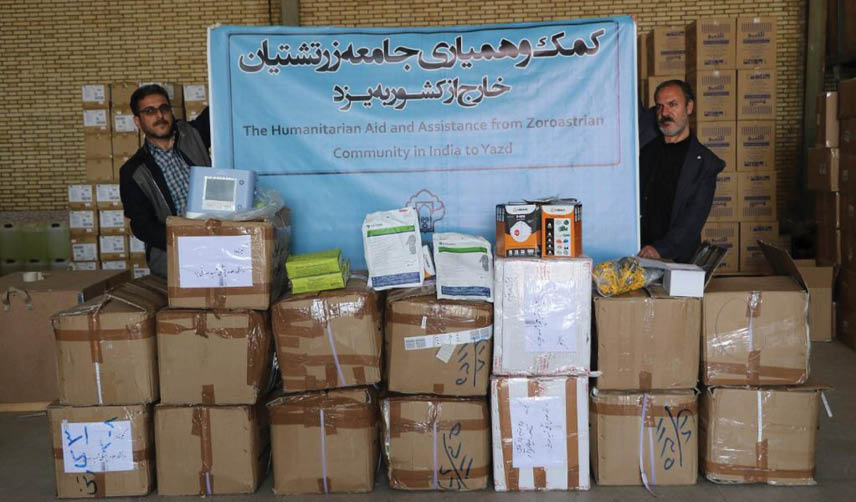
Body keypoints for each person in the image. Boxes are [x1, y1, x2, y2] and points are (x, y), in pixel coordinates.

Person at [119, 84, 211, 277]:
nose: (159, 115)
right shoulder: (133, 171)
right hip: (175, 259)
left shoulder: (193, 134)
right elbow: (141, 225)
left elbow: (220, 107)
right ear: (137, 121)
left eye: (164, 108)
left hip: (218, 243)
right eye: (149, 111)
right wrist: (185, 239)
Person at [637, 80, 724, 262]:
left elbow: (692, 221)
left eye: (672, 105)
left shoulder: (706, 164)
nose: (665, 113)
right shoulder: (644, 151)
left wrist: (660, 250)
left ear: (689, 107)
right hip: (636, 257)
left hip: (674, 260)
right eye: (660, 107)